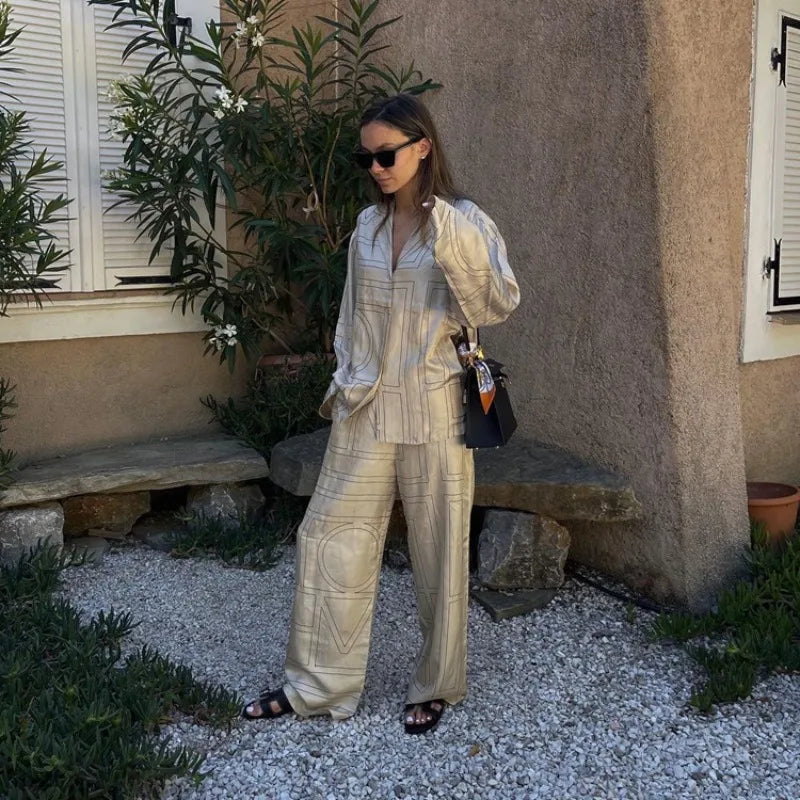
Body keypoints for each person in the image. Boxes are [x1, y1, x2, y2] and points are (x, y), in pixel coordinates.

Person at [242, 92, 520, 734]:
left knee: (440, 547)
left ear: (422, 147)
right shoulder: (367, 228)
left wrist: (446, 232)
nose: (374, 168)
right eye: (364, 158)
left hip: (434, 403)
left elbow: (496, 303)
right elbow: (349, 319)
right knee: (326, 535)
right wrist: (344, 383)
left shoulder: (464, 220)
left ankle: (437, 685)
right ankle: (316, 686)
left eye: (385, 155)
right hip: (366, 404)